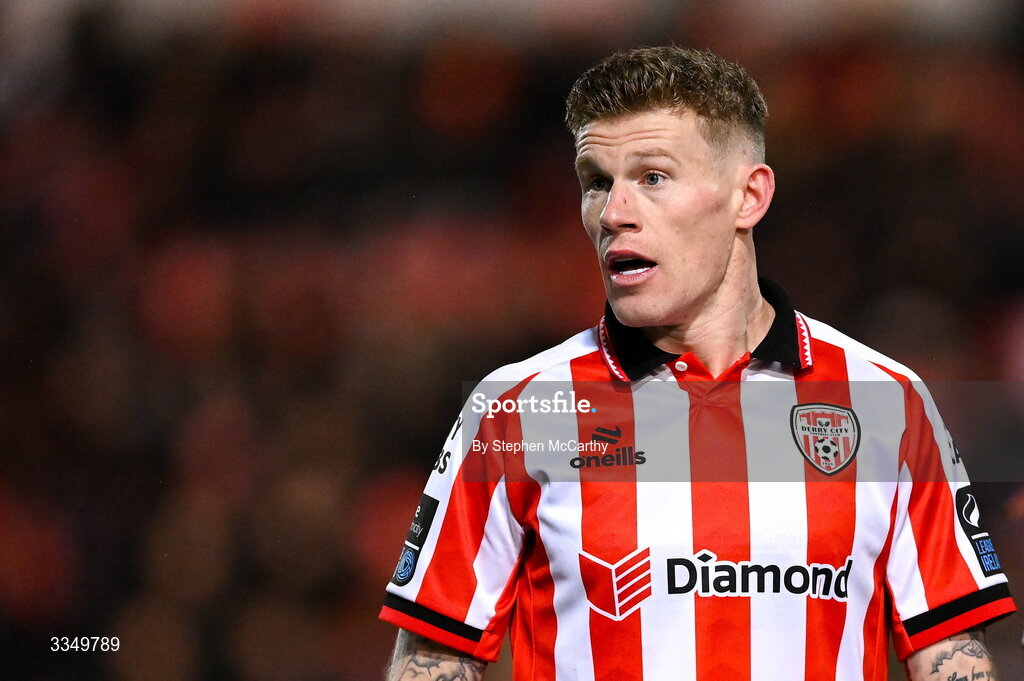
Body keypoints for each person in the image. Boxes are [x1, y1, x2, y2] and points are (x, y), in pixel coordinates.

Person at [378, 46, 1016, 681]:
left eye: (653, 178)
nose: (614, 213)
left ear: (749, 196)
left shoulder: (885, 402)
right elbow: (438, 653)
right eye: (596, 182)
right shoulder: (522, 407)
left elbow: (949, 655)